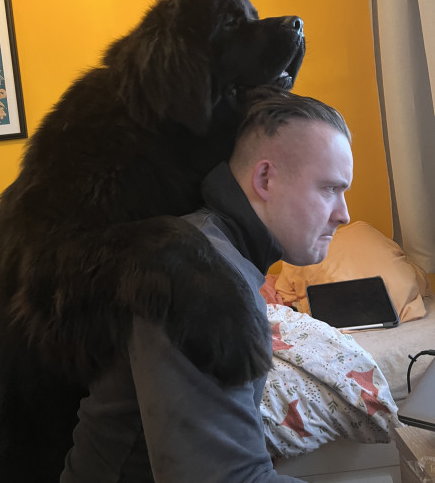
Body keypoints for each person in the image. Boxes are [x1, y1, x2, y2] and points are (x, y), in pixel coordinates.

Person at [61, 88, 353, 483]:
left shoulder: (217, 247)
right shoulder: (199, 275)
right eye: (329, 189)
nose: (344, 215)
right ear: (265, 178)